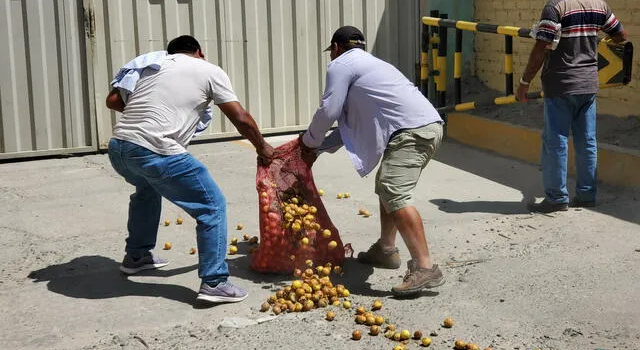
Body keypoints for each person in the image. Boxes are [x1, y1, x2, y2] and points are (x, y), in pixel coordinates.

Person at [106, 35, 274, 304]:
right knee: (212, 206)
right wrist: (263, 147)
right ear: (199, 52)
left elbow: (114, 100)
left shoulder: (155, 67)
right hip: (155, 149)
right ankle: (214, 282)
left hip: (119, 148)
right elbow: (240, 117)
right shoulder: (209, 70)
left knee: (146, 190)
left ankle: (137, 256)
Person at [300, 26, 445, 297]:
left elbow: (328, 110)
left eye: (331, 52)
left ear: (335, 48)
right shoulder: (372, 66)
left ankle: (425, 267)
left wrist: (307, 143)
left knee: (393, 189)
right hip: (424, 127)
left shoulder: (342, 64)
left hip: (413, 132)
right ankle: (386, 249)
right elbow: (347, 128)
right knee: (386, 186)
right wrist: (315, 147)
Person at [518, 0, 627, 213]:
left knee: (556, 141)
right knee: (586, 141)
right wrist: (594, 43)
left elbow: (541, 47)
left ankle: (556, 198)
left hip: (561, 84)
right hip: (588, 84)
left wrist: (524, 81)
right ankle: (587, 195)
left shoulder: (556, 6)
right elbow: (620, 35)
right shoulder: (599, 5)